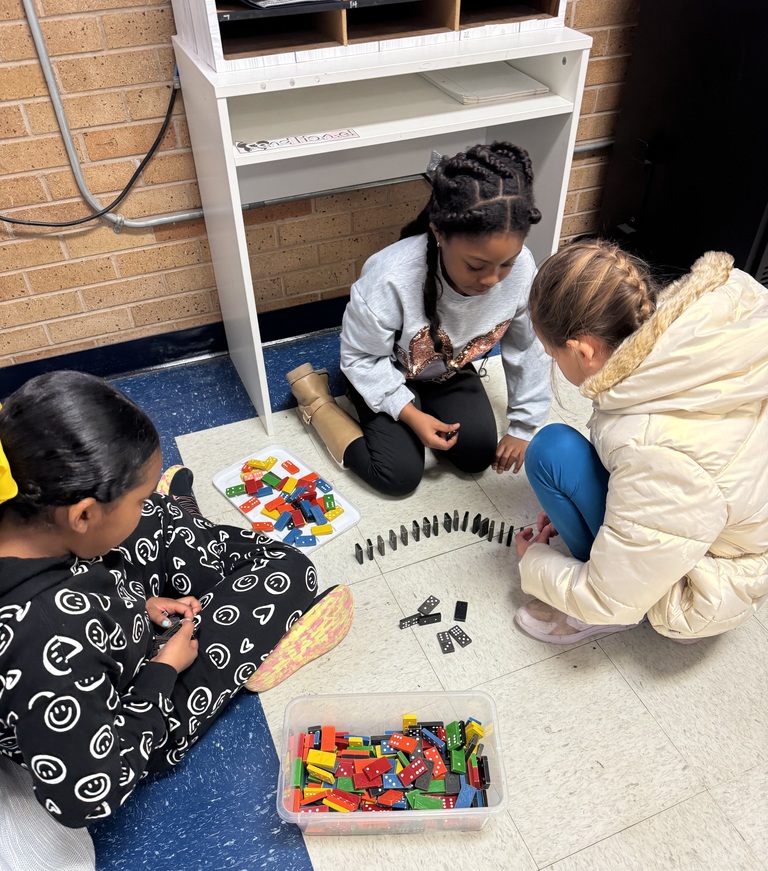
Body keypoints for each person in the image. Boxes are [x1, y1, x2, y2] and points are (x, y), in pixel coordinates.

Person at [0, 371, 353, 828]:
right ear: (82, 515)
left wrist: (135, 602)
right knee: (288, 571)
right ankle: (262, 653)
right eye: (135, 497)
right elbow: (85, 795)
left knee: (157, 519)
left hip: (107, 614)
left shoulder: (23, 510)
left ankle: (178, 522)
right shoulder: (44, 637)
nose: (141, 505)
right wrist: (162, 671)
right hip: (137, 707)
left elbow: (84, 580)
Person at [513, 240, 768, 644]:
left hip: (705, 587)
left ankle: (609, 618)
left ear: (585, 350)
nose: (553, 365)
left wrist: (536, 562)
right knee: (563, 453)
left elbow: (608, 596)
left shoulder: (656, 447)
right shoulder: (684, 337)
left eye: (552, 354)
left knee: (552, 451)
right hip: (717, 526)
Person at [286, 142, 551, 496]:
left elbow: (529, 347)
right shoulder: (388, 277)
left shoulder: (522, 272)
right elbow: (361, 359)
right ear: (439, 233)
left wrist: (523, 427)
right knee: (398, 477)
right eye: (475, 265)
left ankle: (430, 397)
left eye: (507, 263)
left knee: (476, 455)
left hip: (447, 368)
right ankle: (315, 399)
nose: (491, 280)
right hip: (383, 369)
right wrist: (409, 413)